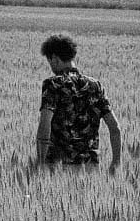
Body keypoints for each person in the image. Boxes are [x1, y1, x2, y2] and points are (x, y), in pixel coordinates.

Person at [36, 34, 122, 172]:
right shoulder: (95, 86)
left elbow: (45, 125)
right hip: (90, 166)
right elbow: (115, 127)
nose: (51, 67)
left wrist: (40, 162)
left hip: (58, 167)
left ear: (54, 58)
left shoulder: (52, 84)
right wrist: (116, 162)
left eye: (50, 61)